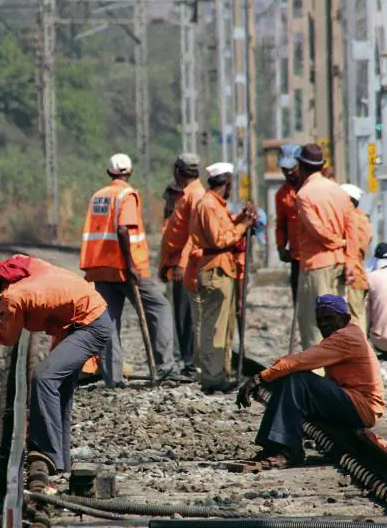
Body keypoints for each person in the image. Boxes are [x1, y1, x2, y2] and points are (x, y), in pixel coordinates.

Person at [0, 255, 111, 475]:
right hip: (80, 318)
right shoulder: (19, 264)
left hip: (90, 324)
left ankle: (46, 452)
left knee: (43, 377)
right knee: (60, 392)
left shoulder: (13, 298)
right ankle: (61, 463)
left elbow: (7, 336)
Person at [236, 295, 385, 466]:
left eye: (329, 318)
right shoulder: (343, 334)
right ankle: (273, 447)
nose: (323, 324)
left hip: (362, 407)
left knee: (298, 379)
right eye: (320, 320)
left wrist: (258, 378)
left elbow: (299, 361)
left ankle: (288, 450)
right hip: (351, 400)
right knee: (291, 378)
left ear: (344, 318)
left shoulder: (346, 337)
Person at [80, 154, 175, 387]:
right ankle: (164, 366)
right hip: (124, 268)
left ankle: (112, 377)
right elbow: (123, 229)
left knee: (108, 321)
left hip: (100, 267)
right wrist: (131, 265)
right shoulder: (127, 195)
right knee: (159, 307)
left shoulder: (97, 196)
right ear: (129, 172)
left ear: (109, 172)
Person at [189, 162, 257, 394]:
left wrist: (241, 219)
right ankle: (212, 376)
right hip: (214, 269)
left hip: (223, 268)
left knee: (226, 326)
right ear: (227, 183)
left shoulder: (216, 205)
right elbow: (219, 239)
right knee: (214, 325)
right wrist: (243, 226)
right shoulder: (208, 205)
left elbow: (225, 229)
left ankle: (223, 372)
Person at [294, 144, 354, 350]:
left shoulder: (304, 194)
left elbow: (316, 229)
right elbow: (351, 226)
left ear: (301, 166)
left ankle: (318, 369)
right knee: (337, 321)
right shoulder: (338, 190)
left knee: (315, 324)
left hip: (317, 265)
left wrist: (336, 242)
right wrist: (348, 254)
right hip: (339, 262)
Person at [159, 153, 205, 377]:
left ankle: (191, 365)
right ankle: (187, 362)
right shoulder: (186, 195)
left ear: (178, 170)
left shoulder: (195, 195)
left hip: (187, 266)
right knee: (181, 314)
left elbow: (193, 235)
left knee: (187, 316)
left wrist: (181, 264)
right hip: (178, 263)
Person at [340, 184, 372, 331]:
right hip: (357, 275)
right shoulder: (362, 218)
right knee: (356, 316)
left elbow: (354, 246)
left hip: (353, 275)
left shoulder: (354, 219)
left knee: (354, 318)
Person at [274, 144, 303, 301]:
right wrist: (280, 246)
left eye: (292, 168)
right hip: (296, 255)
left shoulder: (311, 187)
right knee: (298, 300)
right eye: (285, 169)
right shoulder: (282, 195)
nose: (289, 172)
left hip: (315, 254)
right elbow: (281, 223)